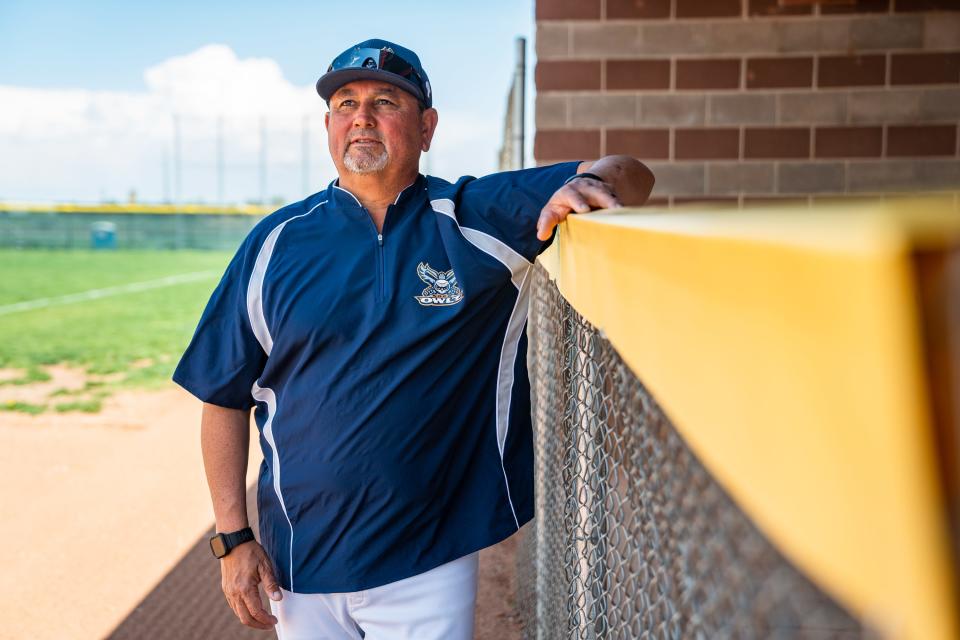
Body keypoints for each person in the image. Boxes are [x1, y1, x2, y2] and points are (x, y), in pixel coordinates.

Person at [173, 38, 654, 639]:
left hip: (429, 553)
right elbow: (222, 393)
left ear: (426, 127)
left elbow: (631, 172)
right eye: (346, 104)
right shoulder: (273, 244)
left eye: (385, 102)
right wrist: (234, 537)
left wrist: (590, 188)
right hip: (298, 559)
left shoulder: (474, 215)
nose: (362, 119)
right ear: (328, 126)